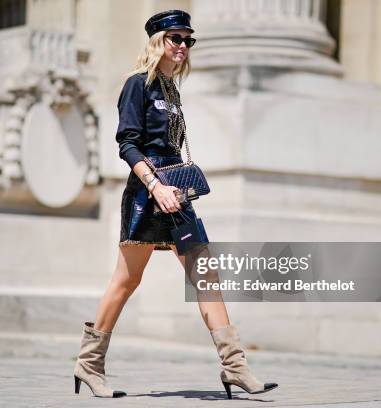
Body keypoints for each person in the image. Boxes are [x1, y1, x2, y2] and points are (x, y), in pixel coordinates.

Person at [73, 9, 278, 399]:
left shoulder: (172, 90)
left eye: (188, 39)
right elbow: (127, 144)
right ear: (158, 42)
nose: (183, 45)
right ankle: (89, 363)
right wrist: (155, 187)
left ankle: (234, 367)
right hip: (147, 195)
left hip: (177, 195)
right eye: (175, 38)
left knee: (205, 276)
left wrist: (173, 189)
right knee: (126, 280)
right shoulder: (138, 85)